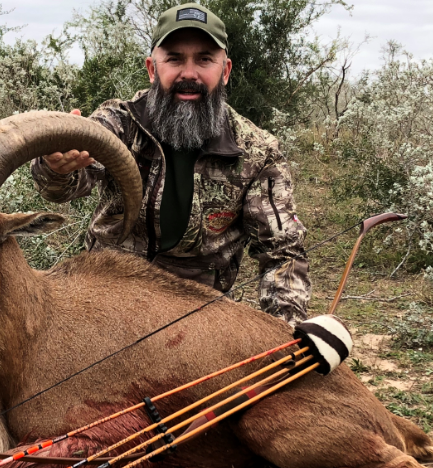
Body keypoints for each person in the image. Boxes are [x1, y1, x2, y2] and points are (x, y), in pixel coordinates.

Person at [32, 3, 310, 326]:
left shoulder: (258, 153)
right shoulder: (122, 121)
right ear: (152, 69)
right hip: (104, 298)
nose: (188, 74)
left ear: (226, 71)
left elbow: (283, 252)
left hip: (196, 316)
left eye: (205, 59)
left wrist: (286, 328)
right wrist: (56, 163)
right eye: (174, 59)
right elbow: (63, 184)